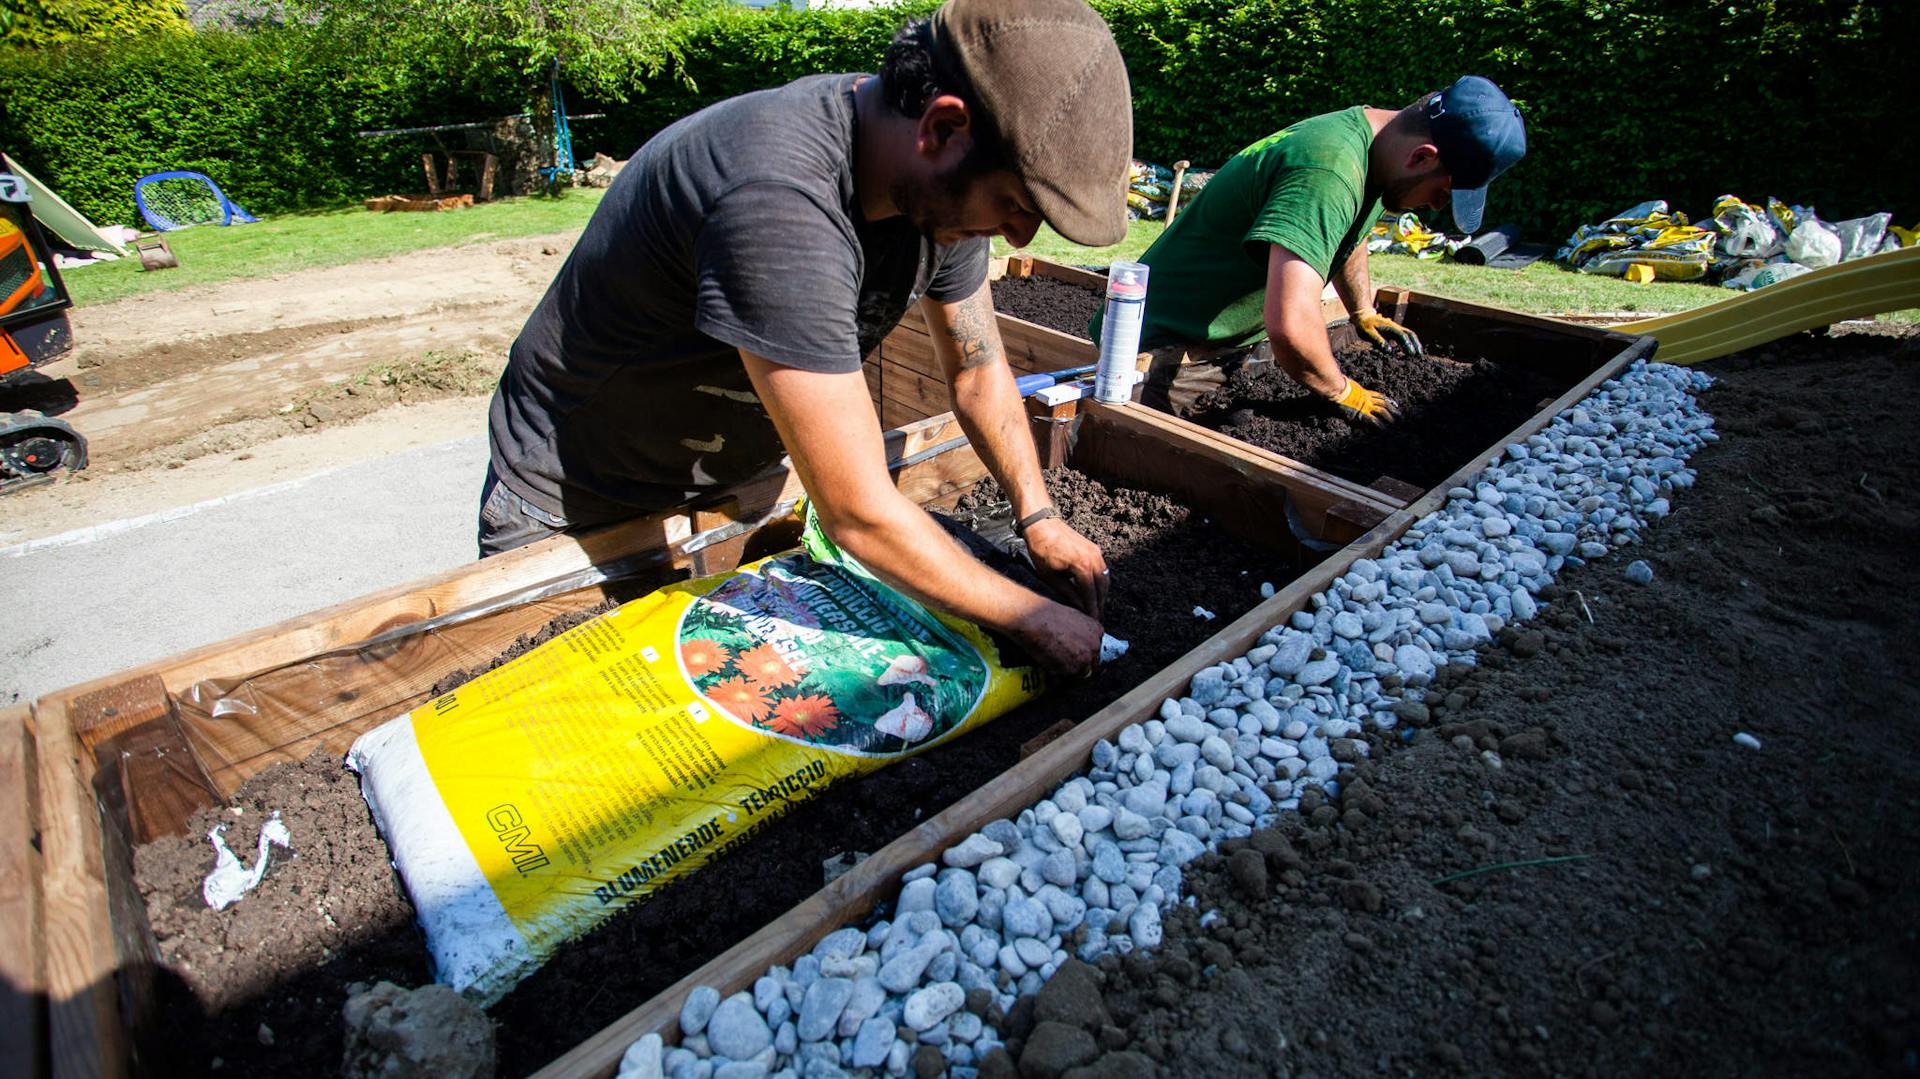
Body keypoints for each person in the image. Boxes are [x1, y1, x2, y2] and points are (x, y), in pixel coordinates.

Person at [479, 0, 1133, 676]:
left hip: (727, 486)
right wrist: (1031, 616)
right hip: (580, 500)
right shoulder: (778, 198)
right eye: (1016, 205)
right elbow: (858, 512)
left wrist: (1038, 515)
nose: (1018, 236)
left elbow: (977, 368)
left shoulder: (935, 194)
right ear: (941, 127)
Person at [1109, 76, 1527, 422]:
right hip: (1162, 351)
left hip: (1220, 338)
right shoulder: (1327, 173)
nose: (1437, 206)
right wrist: (1345, 392)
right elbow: (1290, 325)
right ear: (1421, 157)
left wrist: (1362, 310)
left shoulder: (1373, 146)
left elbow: (1351, 232)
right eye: (1442, 192)